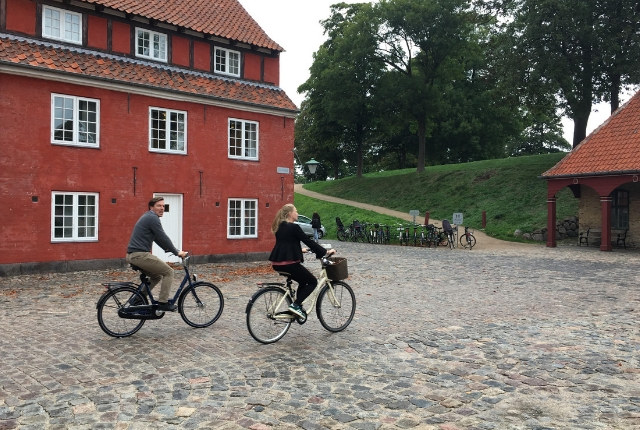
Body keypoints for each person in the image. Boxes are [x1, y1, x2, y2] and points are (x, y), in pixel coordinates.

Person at [269, 204, 335, 318]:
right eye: (296, 211)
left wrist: (300, 250)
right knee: (313, 281)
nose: (297, 213)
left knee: (303, 281)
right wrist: (325, 252)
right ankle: (296, 305)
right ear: (290, 213)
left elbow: (286, 243)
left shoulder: (280, 226)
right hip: (289, 264)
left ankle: (297, 307)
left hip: (277, 263)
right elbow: (309, 241)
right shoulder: (294, 227)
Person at [126, 197, 187, 311]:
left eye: (163, 206)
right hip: (140, 255)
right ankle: (163, 303)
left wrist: (171, 250)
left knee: (156, 276)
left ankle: (138, 298)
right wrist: (177, 252)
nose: (162, 208)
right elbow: (163, 236)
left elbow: (158, 239)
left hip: (133, 255)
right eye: (159, 206)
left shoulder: (148, 217)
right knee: (169, 272)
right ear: (151, 207)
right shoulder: (152, 218)